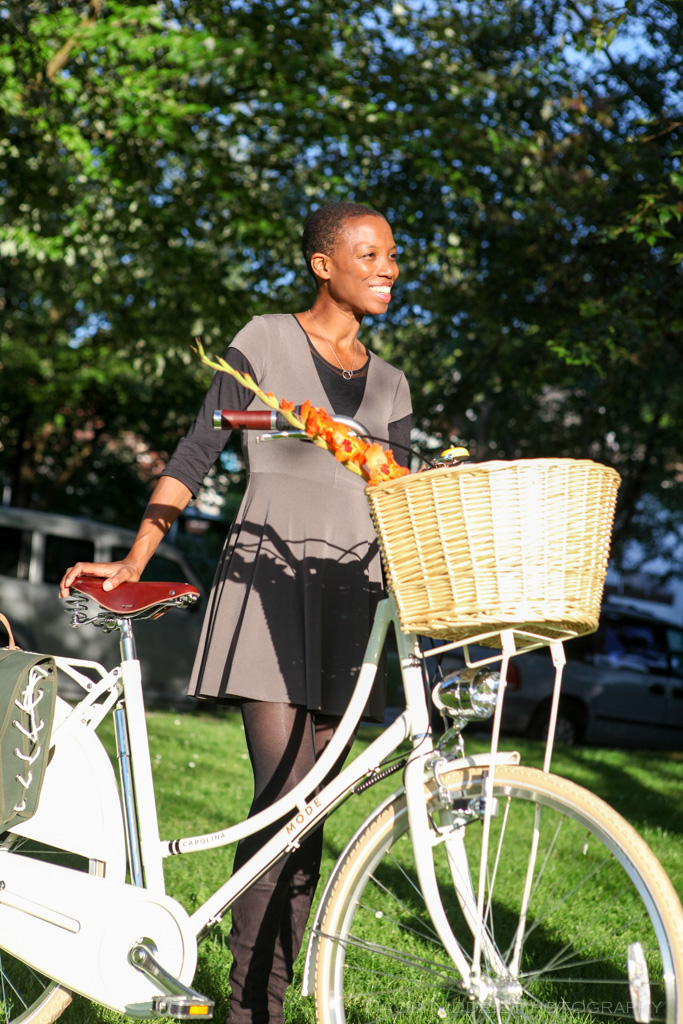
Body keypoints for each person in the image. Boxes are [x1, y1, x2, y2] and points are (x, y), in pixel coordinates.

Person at [59, 201, 412, 1024]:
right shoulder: (264, 340)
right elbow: (197, 451)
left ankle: (267, 1003)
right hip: (268, 589)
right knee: (283, 795)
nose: (388, 269)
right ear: (323, 264)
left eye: (392, 255)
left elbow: (397, 498)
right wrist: (136, 557)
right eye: (369, 254)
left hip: (352, 599)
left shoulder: (391, 384)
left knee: (311, 813)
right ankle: (249, 1010)